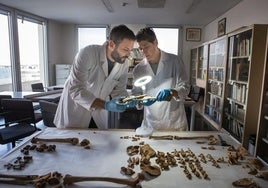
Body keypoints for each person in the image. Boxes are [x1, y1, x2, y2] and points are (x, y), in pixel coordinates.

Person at [54, 25, 136, 129]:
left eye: (130, 50)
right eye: (125, 49)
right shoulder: (87, 54)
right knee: (71, 143)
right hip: (76, 112)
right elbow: (76, 89)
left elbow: (119, 91)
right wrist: (106, 105)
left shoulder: (124, 63)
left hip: (98, 114)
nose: (129, 54)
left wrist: (127, 100)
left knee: (97, 142)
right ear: (111, 44)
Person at [132, 27, 190, 131]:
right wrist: (140, 100)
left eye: (146, 47)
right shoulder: (138, 69)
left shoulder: (175, 61)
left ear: (156, 43)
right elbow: (136, 93)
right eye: (140, 48)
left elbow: (185, 88)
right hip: (151, 123)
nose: (143, 52)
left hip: (174, 123)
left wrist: (173, 92)